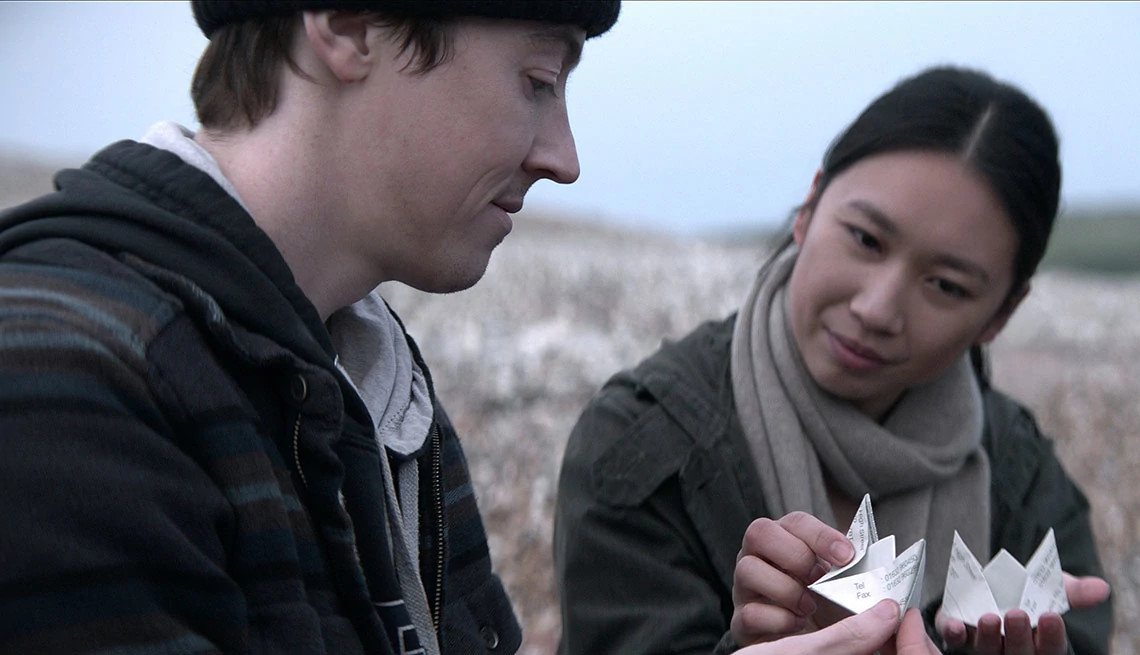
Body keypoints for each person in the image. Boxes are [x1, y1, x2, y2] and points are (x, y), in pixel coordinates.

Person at [0, 2, 618, 653]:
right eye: (539, 80)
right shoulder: (65, 389)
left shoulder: (383, 393)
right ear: (350, 25)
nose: (563, 157)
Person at [554, 65, 1113, 655]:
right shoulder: (641, 449)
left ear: (1001, 314)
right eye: (866, 240)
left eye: (946, 285)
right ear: (810, 206)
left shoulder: (1023, 481)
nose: (876, 309)